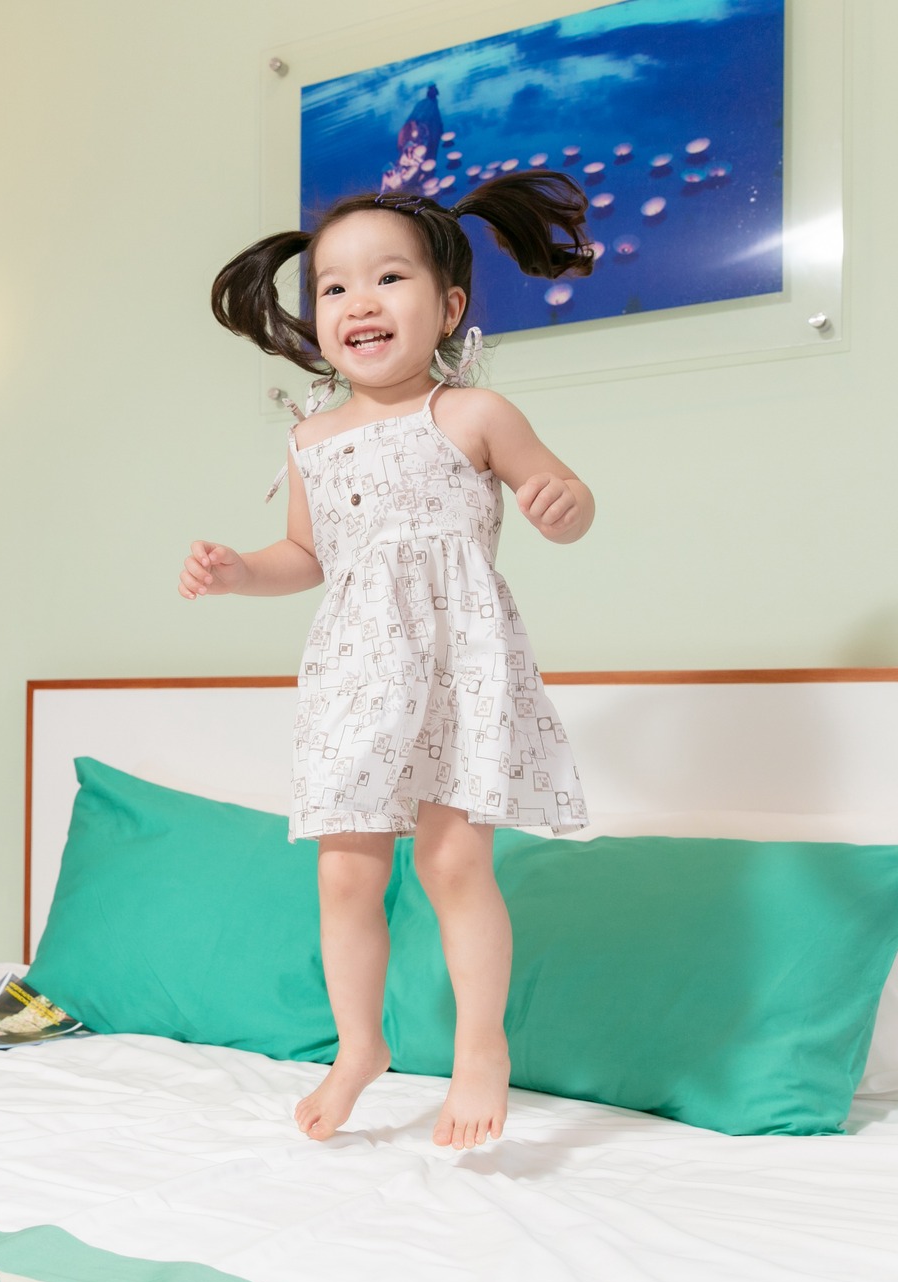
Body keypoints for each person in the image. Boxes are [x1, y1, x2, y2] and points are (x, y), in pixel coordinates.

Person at [179, 172, 595, 1149]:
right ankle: (358, 1046)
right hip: (358, 676)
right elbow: (308, 555)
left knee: (453, 863)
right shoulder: (311, 440)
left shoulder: (472, 415)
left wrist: (563, 505)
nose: (358, 302)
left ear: (447, 308)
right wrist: (241, 571)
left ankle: (479, 1047)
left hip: (455, 667)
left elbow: (562, 497)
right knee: (344, 875)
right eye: (333, 287)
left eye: (388, 278)